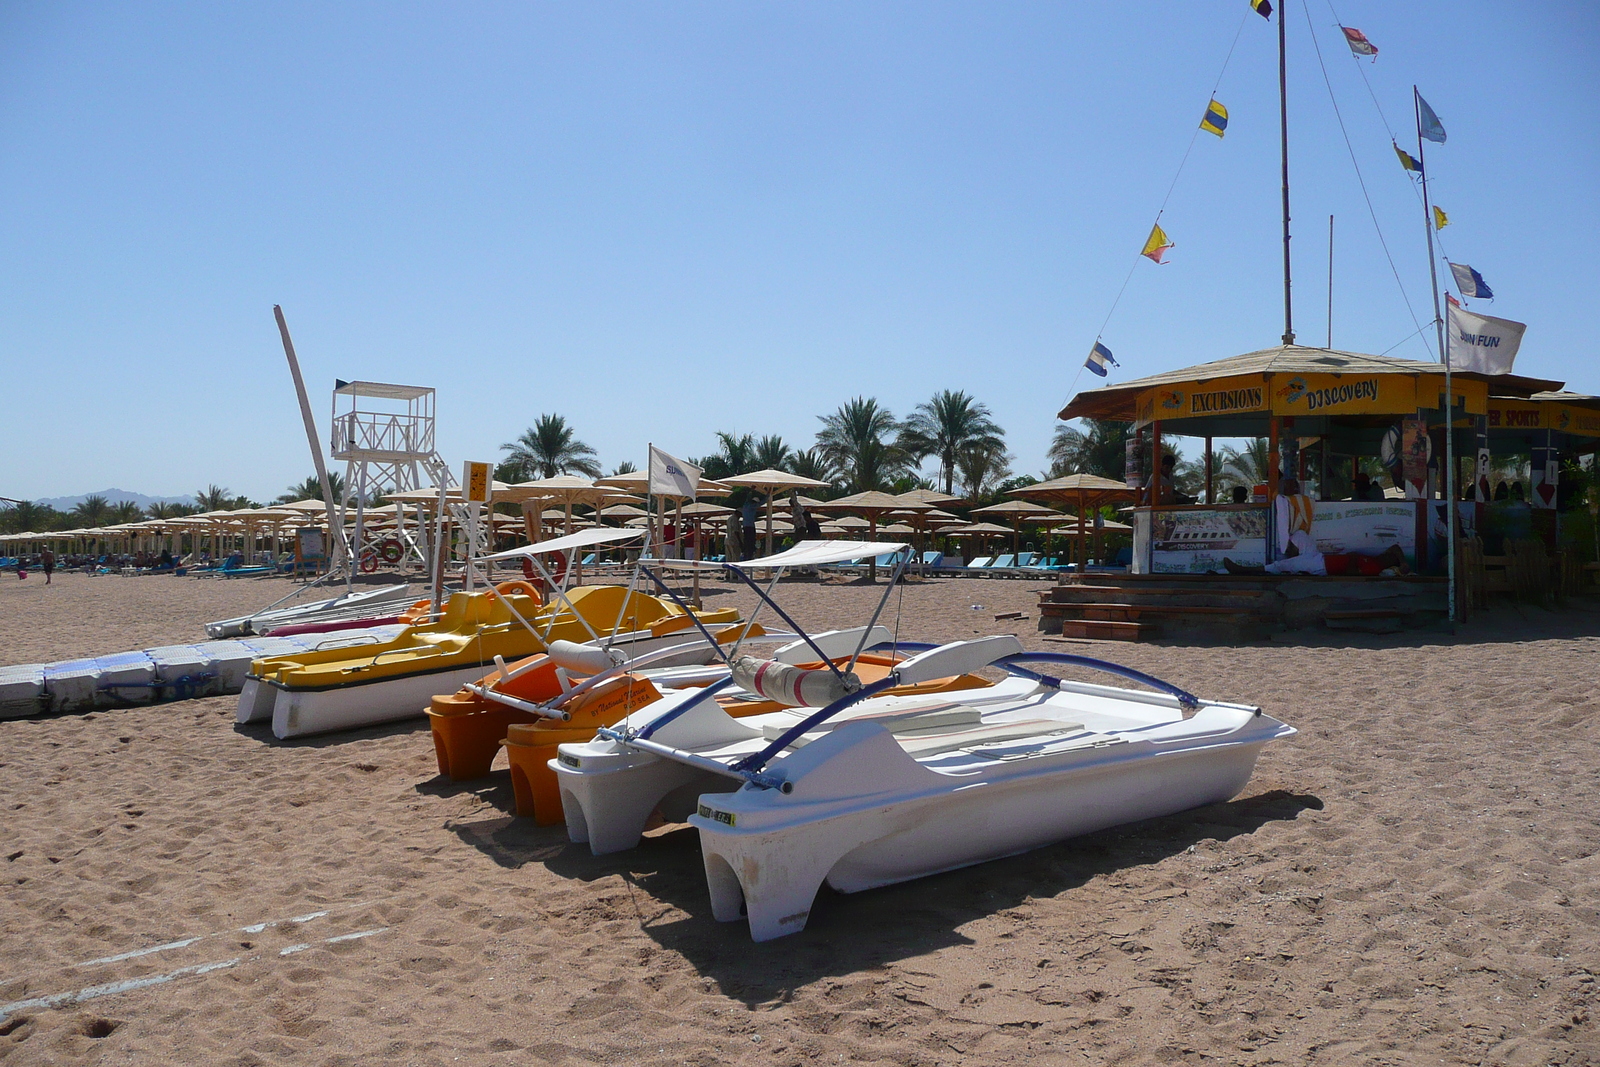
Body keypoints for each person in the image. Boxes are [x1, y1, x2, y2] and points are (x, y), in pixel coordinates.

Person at [1224, 477, 1324, 575]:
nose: (1288, 551)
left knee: (1281, 566)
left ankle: (1243, 570)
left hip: (1316, 565)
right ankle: (1243, 570)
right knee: (1281, 565)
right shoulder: (1303, 542)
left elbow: (1291, 554)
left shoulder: (1303, 553)